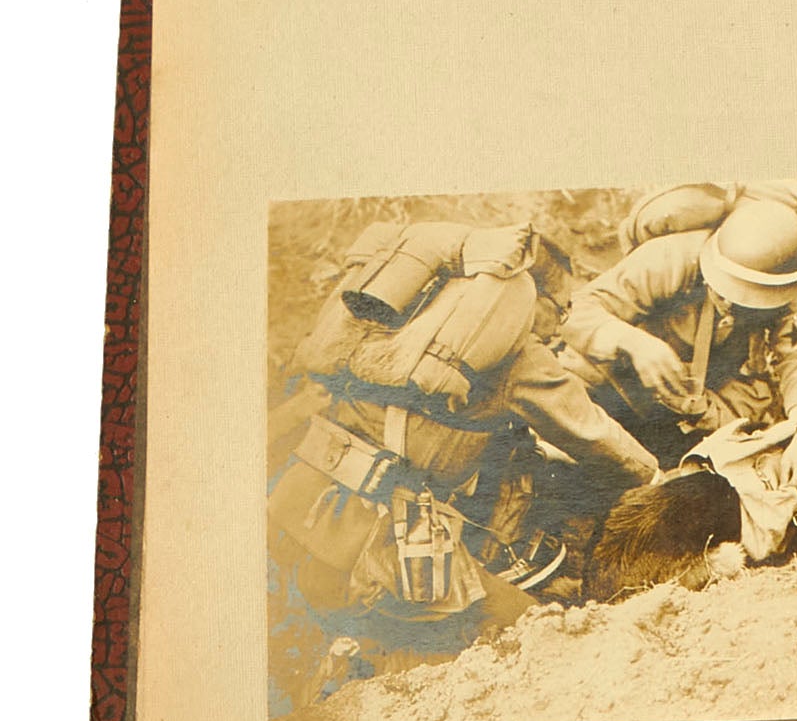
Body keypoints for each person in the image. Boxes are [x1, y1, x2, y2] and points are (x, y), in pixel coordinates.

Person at [267, 219, 663, 623]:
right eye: (562, 307)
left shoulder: (411, 332)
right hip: (374, 553)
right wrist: (659, 479)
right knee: (543, 627)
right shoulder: (521, 357)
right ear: (533, 296)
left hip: (294, 510)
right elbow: (594, 436)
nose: (561, 323)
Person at [556, 197, 797, 497]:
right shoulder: (672, 256)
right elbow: (575, 310)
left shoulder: (788, 291)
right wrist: (633, 342)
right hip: (616, 384)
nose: (728, 303)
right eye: (726, 289)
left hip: (687, 405)